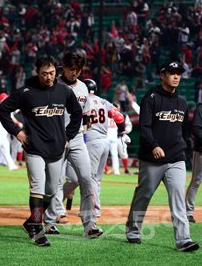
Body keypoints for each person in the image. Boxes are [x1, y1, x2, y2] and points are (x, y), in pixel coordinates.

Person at [0, 56, 82, 247]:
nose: (49, 77)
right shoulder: (27, 92)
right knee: (37, 187)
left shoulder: (64, 91)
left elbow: (77, 114)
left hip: (56, 148)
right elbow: (2, 110)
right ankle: (37, 228)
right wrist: (17, 131)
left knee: (52, 191)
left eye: (52, 73)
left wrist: (67, 136)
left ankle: (30, 222)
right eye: (45, 73)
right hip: (34, 147)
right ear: (37, 72)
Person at [126, 61, 199, 252]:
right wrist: (155, 146)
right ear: (162, 75)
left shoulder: (182, 102)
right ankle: (133, 229)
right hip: (152, 159)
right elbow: (145, 128)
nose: (176, 76)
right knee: (144, 194)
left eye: (178, 73)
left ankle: (183, 240)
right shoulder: (151, 98)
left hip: (176, 158)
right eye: (172, 73)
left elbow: (183, 131)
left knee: (177, 197)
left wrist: (180, 147)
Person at [43, 52, 103, 237]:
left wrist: (84, 128)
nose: (74, 73)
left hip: (76, 139)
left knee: (86, 178)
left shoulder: (83, 87)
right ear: (64, 67)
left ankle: (90, 224)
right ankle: (49, 222)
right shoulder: (53, 85)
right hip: (56, 139)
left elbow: (84, 115)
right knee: (54, 183)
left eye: (77, 70)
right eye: (71, 69)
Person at [84, 79, 124, 217]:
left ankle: (94, 209)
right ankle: (92, 207)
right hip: (105, 141)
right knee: (97, 179)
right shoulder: (103, 101)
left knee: (90, 177)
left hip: (92, 141)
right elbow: (119, 118)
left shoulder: (84, 100)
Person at [187, 101, 202, 223]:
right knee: (196, 181)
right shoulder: (201, 107)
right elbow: (196, 128)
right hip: (201, 150)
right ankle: (188, 212)